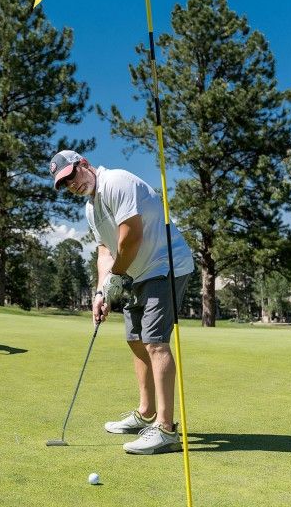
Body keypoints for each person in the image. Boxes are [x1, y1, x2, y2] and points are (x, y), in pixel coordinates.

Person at [50, 149, 194, 455]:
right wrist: (101, 291)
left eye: (71, 176)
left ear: (84, 164)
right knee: (134, 338)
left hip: (165, 265)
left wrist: (116, 277)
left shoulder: (115, 182)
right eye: (64, 185)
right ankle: (146, 413)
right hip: (134, 272)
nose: (71, 185)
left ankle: (166, 430)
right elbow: (106, 250)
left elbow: (131, 238)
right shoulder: (91, 208)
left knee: (155, 342)